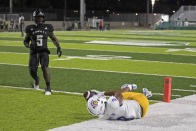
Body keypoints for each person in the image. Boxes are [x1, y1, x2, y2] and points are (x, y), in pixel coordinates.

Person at [24, 9, 62, 95]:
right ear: (34, 18)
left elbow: (53, 38)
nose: (39, 19)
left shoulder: (48, 27)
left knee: (45, 67)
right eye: (38, 17)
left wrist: (58, 47)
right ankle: (37, 79)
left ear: (43, 18)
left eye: (41, 17)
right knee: (32, 71)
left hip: (44, 51)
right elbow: (25, 41)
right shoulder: (30, 28)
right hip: (33, 52)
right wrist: (28, 45)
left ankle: (48, 88)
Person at [83, 84, 152, 120]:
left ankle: (145, 95)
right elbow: (118, 93)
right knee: (121, 94)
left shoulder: (104, 117)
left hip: (140, 114)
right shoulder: (111, 103)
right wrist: (103, 93)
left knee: (121, 103)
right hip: (142, 103)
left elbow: (95, 106)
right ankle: (141, 92)